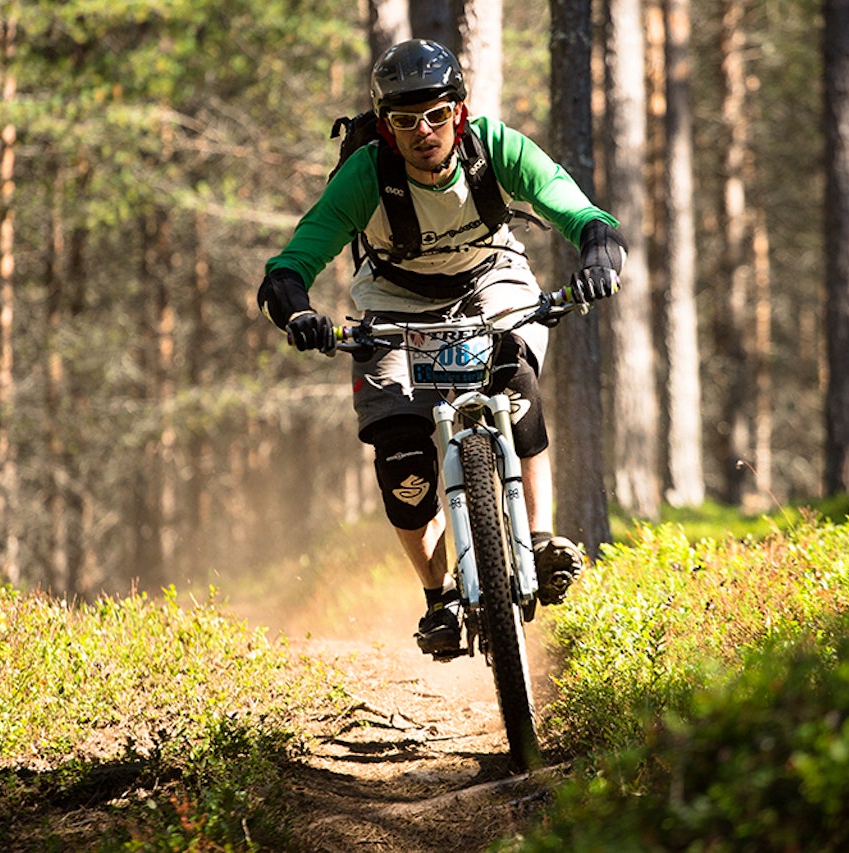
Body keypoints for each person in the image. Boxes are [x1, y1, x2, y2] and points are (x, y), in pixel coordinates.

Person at [257, 39, 626, 656]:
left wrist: (596, 249)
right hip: (393, 298)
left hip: (491, 279)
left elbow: (574, 207)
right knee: (400, 448)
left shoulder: (495, 147)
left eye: (436, 113)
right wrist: (299, 311)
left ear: (459, 109)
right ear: (385, 126)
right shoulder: (364, 175)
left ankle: (538, 540)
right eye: (404, 120)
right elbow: (293, 260)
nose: (423, 131)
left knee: (515, 380)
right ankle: (439, 600)